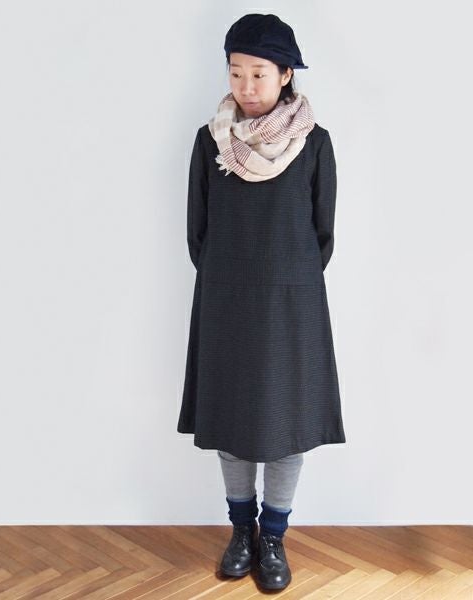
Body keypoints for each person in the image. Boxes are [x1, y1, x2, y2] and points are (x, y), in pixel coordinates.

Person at [177, 13, 346, 591]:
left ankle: (273, 537)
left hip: (292, 303)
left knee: (284, 424)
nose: (246, 86)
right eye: (236, 72)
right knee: (231, 422)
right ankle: (240, 532)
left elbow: (323, 234)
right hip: (226, 299)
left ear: (286, 75)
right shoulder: (210, 141)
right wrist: (228, 279)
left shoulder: (314, 143)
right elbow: (197, 232)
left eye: (259, 73)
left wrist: (286, 279)